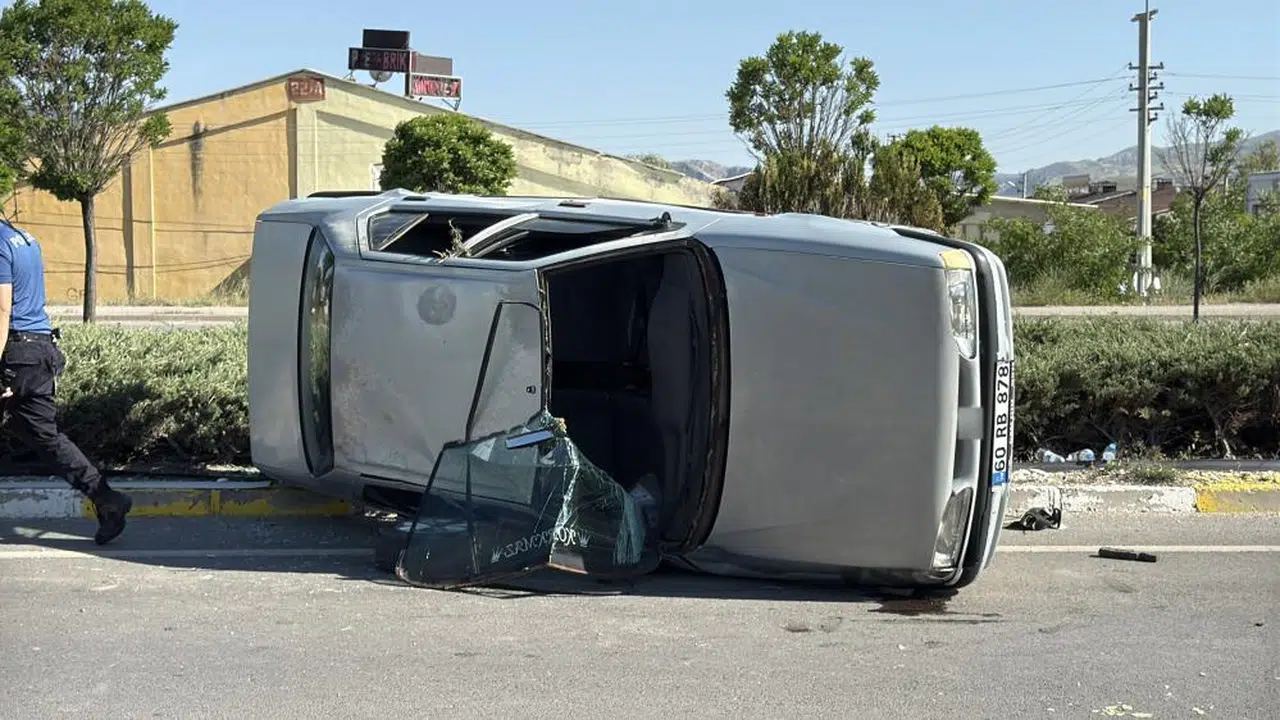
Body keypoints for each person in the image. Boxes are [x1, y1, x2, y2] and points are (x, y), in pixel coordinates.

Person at [0, 217, 132, 544]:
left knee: (44, 436)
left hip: (17, 352)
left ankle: (106, 498)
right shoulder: (24, 238)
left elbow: (2, 309)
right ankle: (106, 499)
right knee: (45, 436)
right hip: (38, 348)